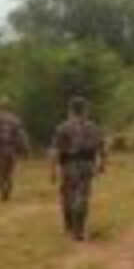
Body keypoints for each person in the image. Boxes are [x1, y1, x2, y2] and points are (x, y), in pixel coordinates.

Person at [49, 95, 106, 240]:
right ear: (85, 110)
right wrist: (102, 164)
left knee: (68, 195)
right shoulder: (93, 127)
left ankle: (69, 224)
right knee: (83, 195)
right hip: (87, 164)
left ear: (71, 110)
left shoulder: (63, 127)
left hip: (69, 165)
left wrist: (52, 169)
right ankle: (78, 228)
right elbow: (101, 147)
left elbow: (55, 150)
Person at [0, 97, 30, 201]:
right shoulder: (15, 120)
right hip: (11, 150)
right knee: (8, 171)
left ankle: (1, 187)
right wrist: (25, 149)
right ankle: (7, 187)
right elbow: (22, 136)